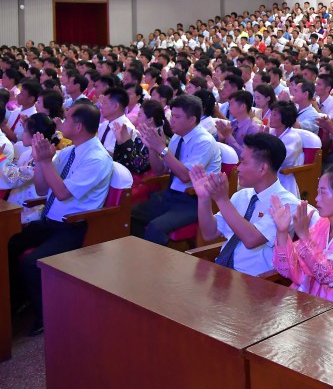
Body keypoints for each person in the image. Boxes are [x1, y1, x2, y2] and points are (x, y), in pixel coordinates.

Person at [7, 102, 114, 335]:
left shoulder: (97, 158)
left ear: (78, 126)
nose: (61, 123)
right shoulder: (69, 151)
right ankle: (17, 300)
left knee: (31, 262)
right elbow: (43, 189)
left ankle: (46, 316)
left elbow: (63, 193)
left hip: (74, 226)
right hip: (51, 221)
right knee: (9, 243)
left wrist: (45, 162)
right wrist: (39, 159)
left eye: (66, 120)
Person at [191, 132, 299, 275]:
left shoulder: (286, 204)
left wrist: (222, 200)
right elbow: (209, 233)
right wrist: (204, 198)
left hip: (254, 282)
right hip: (222, 272)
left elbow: (251, 239)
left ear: (262, 169)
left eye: (244, 162)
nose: (238, 168)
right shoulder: (242, 195)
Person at [271, 164, 333, 302]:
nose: (317, 198)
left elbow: (327, 276)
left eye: (323, 193)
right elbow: (290, 267)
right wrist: (282, 232)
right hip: (309, 298)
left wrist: (304, 236)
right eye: (318, 192)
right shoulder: (322, 224)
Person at [130, 94, 222, 244]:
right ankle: (138, 255)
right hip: (171, 195)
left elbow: (186, 176)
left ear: (192, 120)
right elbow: (160, 171)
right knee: (131, 214)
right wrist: (153, 149)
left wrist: (161, 149)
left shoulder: (204, 142)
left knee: (156, 227)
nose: (171, 120)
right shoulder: (177, 137)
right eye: (172, 115)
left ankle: (156, 265)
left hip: (193, 200)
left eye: (177, 117)